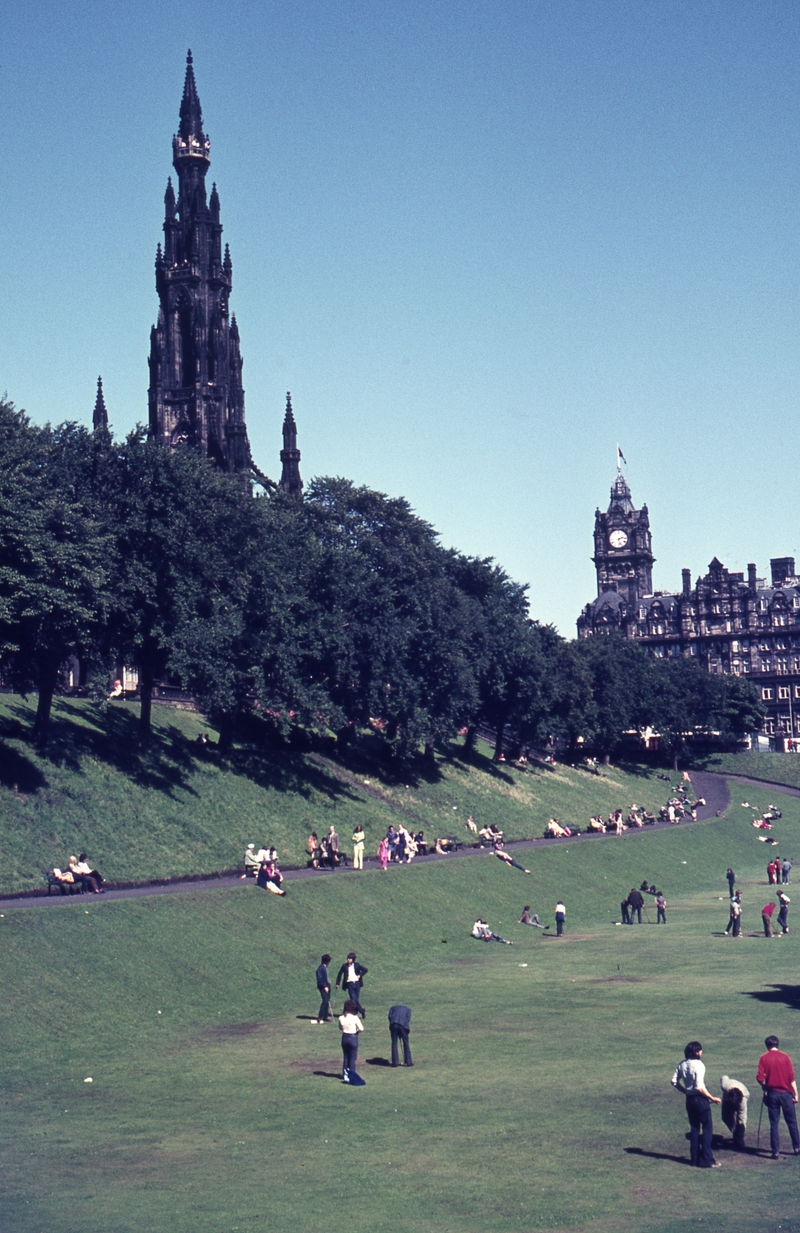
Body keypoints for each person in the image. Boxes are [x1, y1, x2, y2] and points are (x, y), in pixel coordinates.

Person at [671, 1040, 722, 1168]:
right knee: (707, 1128)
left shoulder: (682, 1064)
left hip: (690, 1100)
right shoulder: (699, 1065)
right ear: (696, 1052)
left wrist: (686, 1091)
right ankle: (707, 1159)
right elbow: (699, 1087)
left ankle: (694, 1159)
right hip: (700, 1100)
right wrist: (712, 1098)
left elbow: (674, 1081)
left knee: (694, 1129)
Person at [756, 1035, 800, 1158]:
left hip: (772, 1094)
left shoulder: (764, 1058)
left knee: (774, 1123)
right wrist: (795, 1094)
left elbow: (760, 1077)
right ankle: (797, 1147)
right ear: (777, 1044)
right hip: (786, 1094)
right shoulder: (785, 1057)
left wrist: (764, 1086)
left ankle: (775, 1151)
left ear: (767, 1045)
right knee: (791, 1122)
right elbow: (791, 1078)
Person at [338, 999, 365, 1085]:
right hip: (353, 1037)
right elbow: (361, 1028)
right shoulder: (355, 1018)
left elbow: (340, 1028)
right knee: (352, 1058)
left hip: (345, 1037)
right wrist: (356, 1031)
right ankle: (352, 1075)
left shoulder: (341, 1018)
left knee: (346, 1056)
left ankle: (345, 1074)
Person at [720, 1075, 749, 1151]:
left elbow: (742, 1118)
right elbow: (724, 1077)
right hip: (728, 1098)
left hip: (742, 1097)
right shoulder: (724, 1085)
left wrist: (740, 1135)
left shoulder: (743, 1099)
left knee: (741, 1120)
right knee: (725, 1117)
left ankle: (739, 1138)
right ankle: (734, 1130)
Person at [335, 952, 367, 1016]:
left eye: (350, 959)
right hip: (350, 984)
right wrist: (337, 983)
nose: (348, 960)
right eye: (348, 958)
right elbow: (340, 974)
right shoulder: (344, 966)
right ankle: (361, 1010)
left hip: (357, 983)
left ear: (353, 959)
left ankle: (355, 1012)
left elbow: (365, 970)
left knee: (355, 999)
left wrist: (360, 975)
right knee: (353, 999)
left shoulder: (357, 965)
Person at [314, 954, 333, 1023]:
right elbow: (320, 979)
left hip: (327, 985)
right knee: (325, 1000)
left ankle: (325, 1016)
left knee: (327, 1001)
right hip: (323, 986)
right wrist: (325, 986)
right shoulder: (320, 968)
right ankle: (320, 1016)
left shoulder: (325, 967)